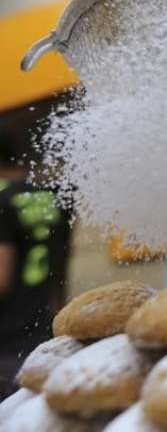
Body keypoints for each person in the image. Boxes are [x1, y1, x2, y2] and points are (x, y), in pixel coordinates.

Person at [0, 125, 72, 399]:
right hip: (45, 332)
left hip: (6, 337)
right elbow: (62, 263)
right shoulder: (52, 196)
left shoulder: (1, 198)